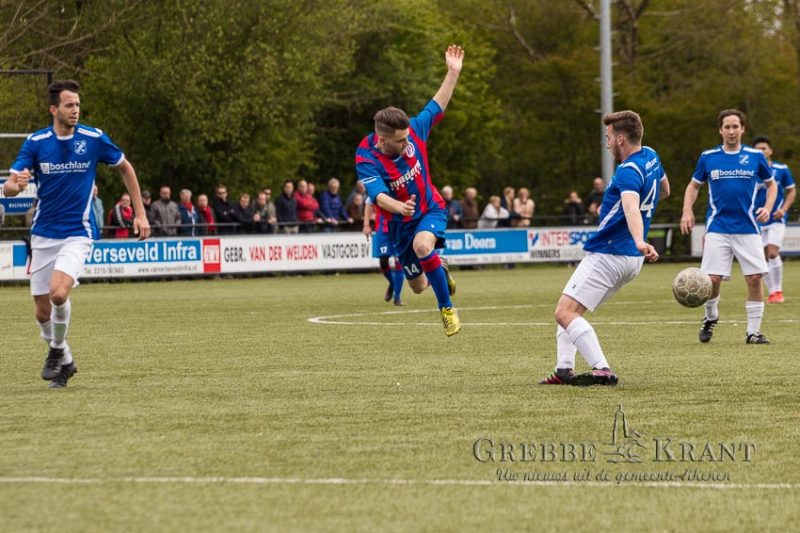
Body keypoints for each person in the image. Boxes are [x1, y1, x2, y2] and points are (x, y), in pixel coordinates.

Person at [3, 79, 150, 388]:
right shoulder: (36, 142)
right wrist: (15, 185)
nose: (75, 110)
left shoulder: (93, 138)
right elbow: (11, 186)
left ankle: (56, 350)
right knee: (42, 312)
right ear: (53, 109)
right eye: (69, 105)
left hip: (77, 233)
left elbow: (126, 168)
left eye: (78, 105)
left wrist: (140, 213)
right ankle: (66, 360)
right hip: (43, 234)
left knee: (58, 293)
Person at [540, 110, 669, 386]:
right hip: (630, 259)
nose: (607, 142)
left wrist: (638, 239)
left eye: (608, 136)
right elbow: (665, 190)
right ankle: (564, 370)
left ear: (621, 139)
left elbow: (631, 207)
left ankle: (602, 368)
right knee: (571, 309)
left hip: (611, 252)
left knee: (564, 312)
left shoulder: (628, 171)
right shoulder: (651, 156)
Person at [355, 44, 463, 336]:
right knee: (418, 286)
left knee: (423, 246)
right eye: (400, 141)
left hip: (430, 208)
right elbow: (378, 195)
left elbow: (437, 104)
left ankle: (447, 309)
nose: (407, 144)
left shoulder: (413, 130)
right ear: (382, 140)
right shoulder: (366, 156)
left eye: (407, 138)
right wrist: (399, 207)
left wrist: (453, 72)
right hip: (399, 224)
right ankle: (439, 267)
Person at [680, 109, 777, 345]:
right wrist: (687, 210)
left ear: (742, 129)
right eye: (727, 127)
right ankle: (711, 317)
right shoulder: (708, 157)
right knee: (712, 280)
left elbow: (772, 185)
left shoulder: (755, 156)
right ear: (720, 130)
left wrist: (767, 207)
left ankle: (753, 333)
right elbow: (693, 186)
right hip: (718, 227)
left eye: (735, 127)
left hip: (748, 227)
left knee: (754, 278)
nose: (731, 131)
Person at [751, 136, 796, 303]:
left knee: (772, 252)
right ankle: (772, 293)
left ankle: (778, 291)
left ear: (770, 151)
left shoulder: (781, 169)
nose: (761, 151)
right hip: (757, 220)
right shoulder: (749, 171)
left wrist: (783, 209)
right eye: (757, 149)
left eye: (764, 148)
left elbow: (791, 190)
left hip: (776, 219)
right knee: (762, 257)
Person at [363, 197, 404, 305]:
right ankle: (392, 283)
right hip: (383, 228)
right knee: (383, 260)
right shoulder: (378, 189)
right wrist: (366, 225)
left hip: (399, 227)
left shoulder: (402, 188)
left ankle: (397, 297)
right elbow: (368, 203)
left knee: (399, 260)